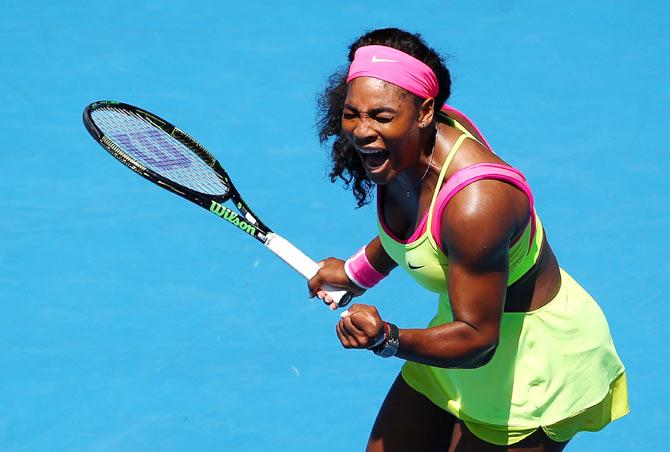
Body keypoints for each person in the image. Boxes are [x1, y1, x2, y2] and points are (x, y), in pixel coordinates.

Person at [308, 28, 629, 452]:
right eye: (353, 113)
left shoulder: (477, 205)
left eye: (381, 117)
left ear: (424, 112)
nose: (362, 130)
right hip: (455, 339)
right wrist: (355, 272)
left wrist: (387, 338)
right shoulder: (404, 151)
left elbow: (478, 338)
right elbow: (413, 231)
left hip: (524, 368)